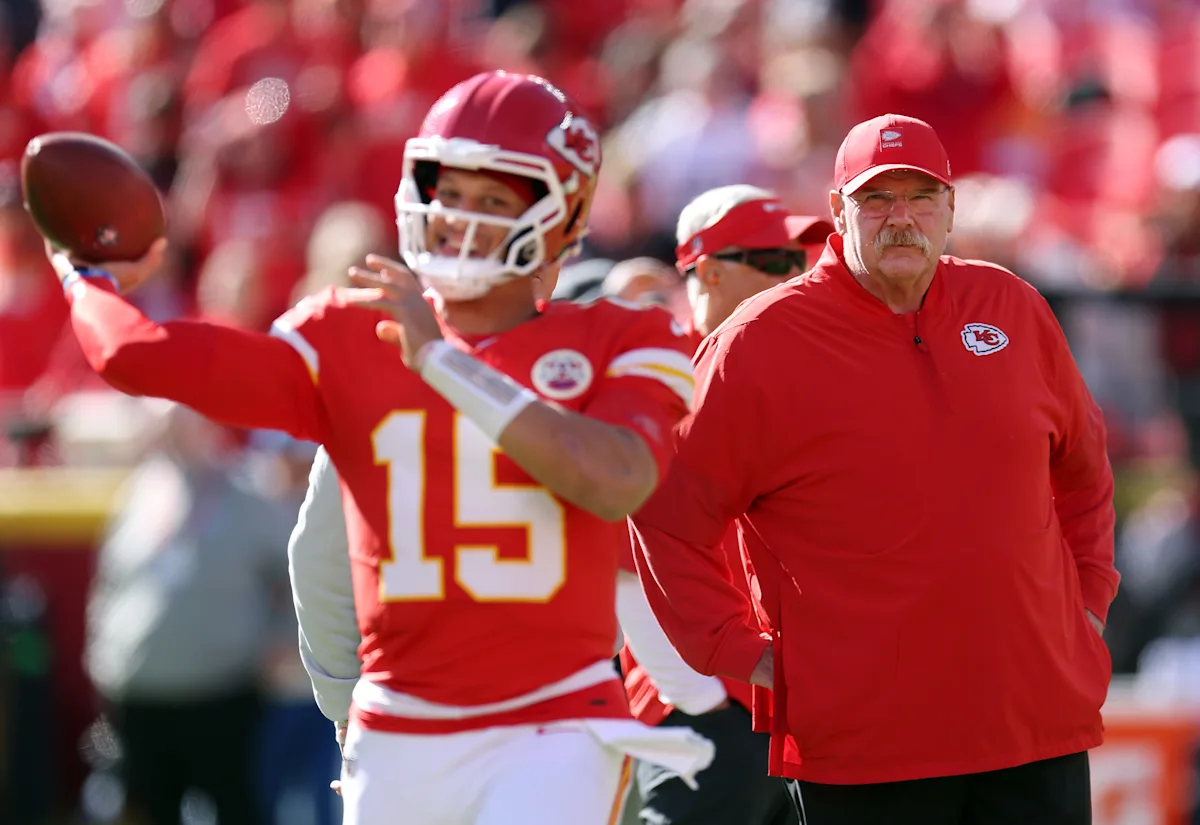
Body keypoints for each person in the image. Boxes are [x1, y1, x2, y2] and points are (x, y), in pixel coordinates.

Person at [49, 71, 711, 825]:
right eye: (447, 191)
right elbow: (137, 356)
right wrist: (84, 276)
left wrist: (445, 364)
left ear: (564, 215)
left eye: (493, 199)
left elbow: (615, 479)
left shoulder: (621, 334)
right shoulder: (352, 334)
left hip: (553, 722)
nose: (459, 218)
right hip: (397, 725)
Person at [629, 113, 1119, 825]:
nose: (901, 219)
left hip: (1034, 720)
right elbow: (668, 513)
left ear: (950, 207)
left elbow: (1083, 468)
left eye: (920, 197)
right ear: (838, 210)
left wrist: (1090, 599)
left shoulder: (1011, 305)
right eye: (877, 199)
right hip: (864, 743)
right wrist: (735, 648)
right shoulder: (757, 342)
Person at [616, 184, 829, 825]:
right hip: (714, 703)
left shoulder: (802, 366)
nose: (794, 275)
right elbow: (622, 552)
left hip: (800, 697)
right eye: (773, 261)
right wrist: (697, 694)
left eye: (799, 260)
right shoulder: (653, 374)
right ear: (705, 271)